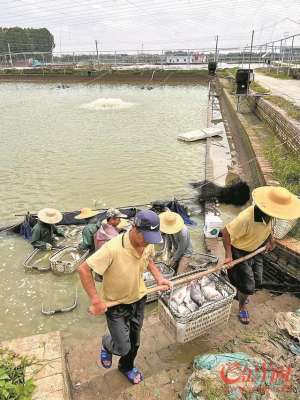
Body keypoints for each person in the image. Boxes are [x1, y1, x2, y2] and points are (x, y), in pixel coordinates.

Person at [78, 210, 172, 385]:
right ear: (135, 229)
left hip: (138, 298)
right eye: (146, 237)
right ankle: (107, 343)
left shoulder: (148, 243)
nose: (148, 243)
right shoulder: (112, 248)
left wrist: (159, 277)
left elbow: (149, 259)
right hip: (115, 305)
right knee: (123, 347)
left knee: (135, 342)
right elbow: (84, 269)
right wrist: (96, 300)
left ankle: (126, 367)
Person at [222, 186, 300, 325]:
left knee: (258, 280)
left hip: (256, 248)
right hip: (239, 251)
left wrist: (271, 240)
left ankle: (242, 293)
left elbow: (269, 228)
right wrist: (229, 255)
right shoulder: (246, 218)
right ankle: (242, 307)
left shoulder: (270, 216)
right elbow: (225, 232)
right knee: (248, 285)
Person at [159, 210, 193, 274]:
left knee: (179, 274)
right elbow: (168, 241)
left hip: (185, 252)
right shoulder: (167, 228)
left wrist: (174, 259)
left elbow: (182, 249)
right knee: (168, 268)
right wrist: (168, 252)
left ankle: (184, 266)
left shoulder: (183, 233)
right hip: (176, 250)